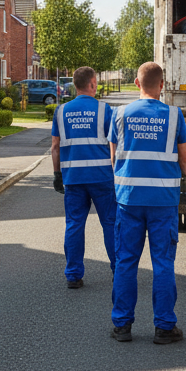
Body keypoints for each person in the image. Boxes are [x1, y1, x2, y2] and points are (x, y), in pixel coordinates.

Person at [108, 62, 186, 344]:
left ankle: (122, 326)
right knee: (162, 263)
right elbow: (185, 157)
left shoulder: (119, 114)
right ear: (162, 85)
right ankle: (164, 327)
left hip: (129, 201)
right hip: (162, 201)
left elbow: (114, 157)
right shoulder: (173, 115)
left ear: (136, 83)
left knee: (126, 262)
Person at [51, 66, 116, 289]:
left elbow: (55, 147)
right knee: (110, 223)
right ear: (91, 84)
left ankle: (73, 275)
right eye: (95, 82)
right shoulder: (104, 109)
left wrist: (57, 175)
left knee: (75, 224)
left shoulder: (60, 111)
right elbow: (114, 144)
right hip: (102, 177)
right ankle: (119, 270)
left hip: (73, 178)